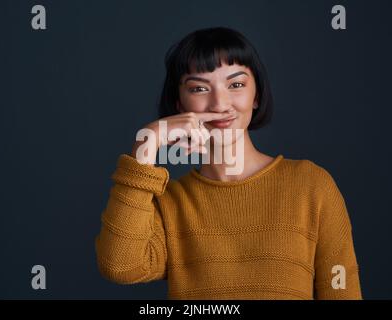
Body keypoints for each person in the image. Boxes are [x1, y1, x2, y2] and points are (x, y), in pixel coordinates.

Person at [95, 27, 362, 300]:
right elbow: (120, 266)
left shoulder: (312, 186)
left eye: (236, 84)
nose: (220, 103)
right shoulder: (170, 204)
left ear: (256, 95)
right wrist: (146, 143)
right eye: (199, 88)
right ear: (179, 105)